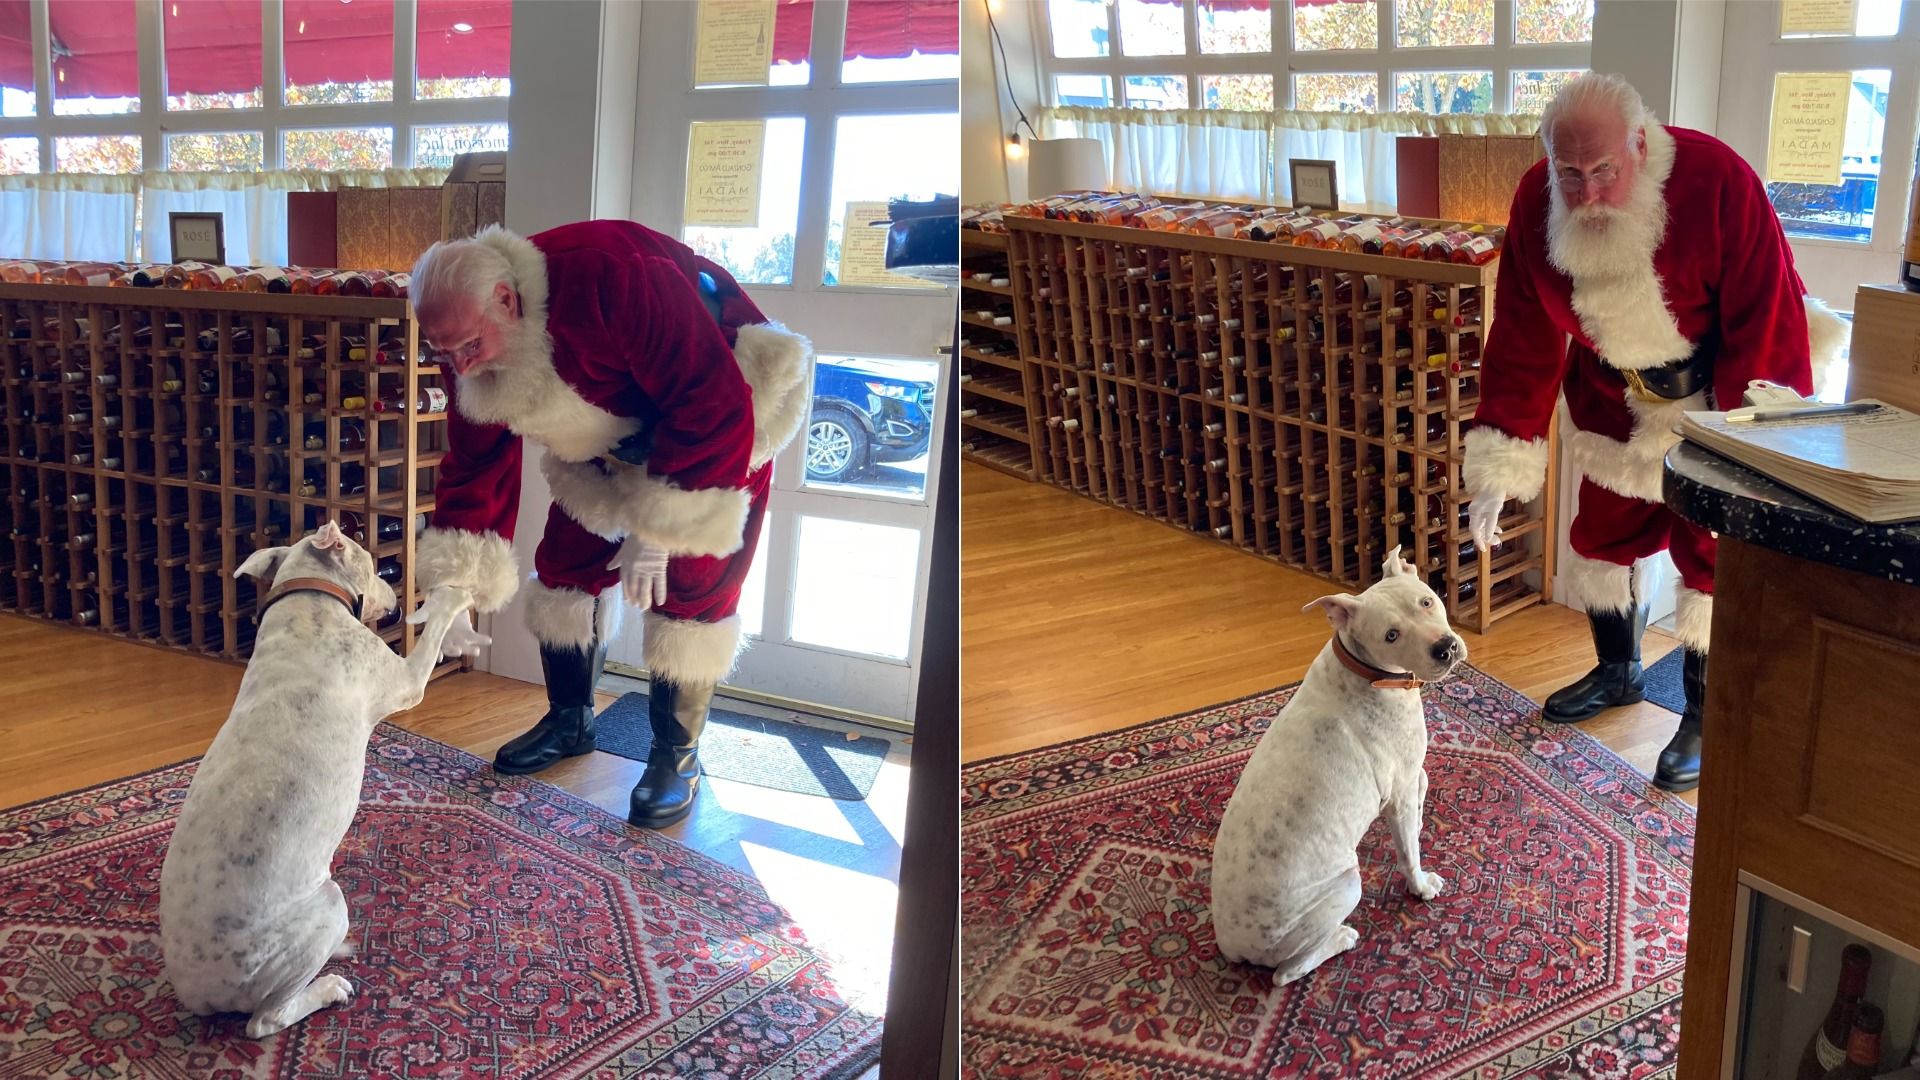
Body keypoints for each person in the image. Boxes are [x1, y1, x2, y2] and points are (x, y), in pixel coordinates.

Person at [1461, 73, 1845, 792]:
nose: (1587, 194)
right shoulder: (1537, 199)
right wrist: (1499, 462)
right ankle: (1618, 672)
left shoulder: (1719, 179)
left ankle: (1703, 711)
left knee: (1713, 554)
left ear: (1639, 143)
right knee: (1604, 532)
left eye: (1603, 171)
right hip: (1612, 393)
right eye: (1570, 174)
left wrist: (1753, 449)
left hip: (1717, 391)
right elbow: (1521, 333)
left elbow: (1764, 319)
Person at [405, 221, 811, 826]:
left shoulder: (613, 277)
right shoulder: (463, 332)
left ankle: (677, 756)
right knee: (566, 564)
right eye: (444, 353)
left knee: (693, 585)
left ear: (506, 301)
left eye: (467, 346)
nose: (459, 365)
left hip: (728, 411)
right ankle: (570, 721)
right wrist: (453, 586)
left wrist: (658, 531)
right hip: (615, 433)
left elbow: (708, 397)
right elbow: (476, 459)